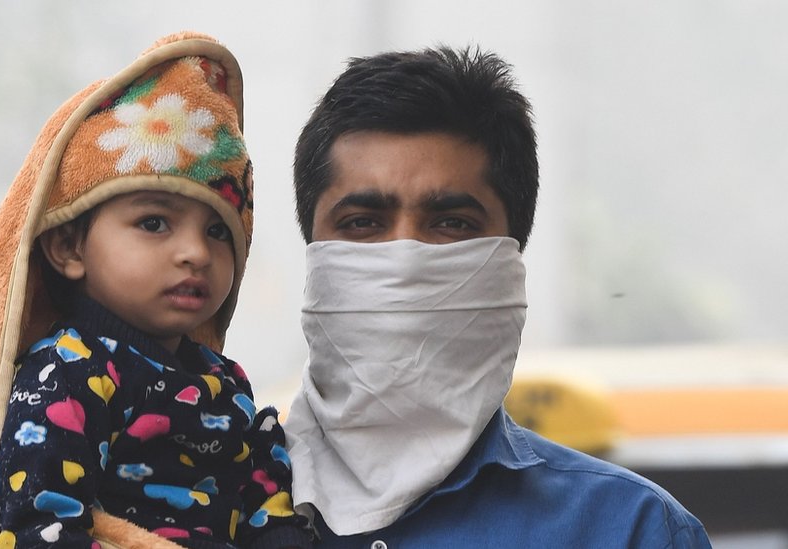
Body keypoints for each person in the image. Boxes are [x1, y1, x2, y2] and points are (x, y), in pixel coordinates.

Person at [283, 46, 712, 548]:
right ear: (313, 256)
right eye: (362, 223)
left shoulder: (629, 530)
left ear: (510, 266)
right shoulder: (207, 502)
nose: (403, 259)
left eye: (451, 224)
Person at [0, 32, 311, 549]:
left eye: (218, 231)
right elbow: (38, 526)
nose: (196, 252)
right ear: (68, 248)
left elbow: (267, 510)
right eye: (154, 222)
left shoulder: (228, 384)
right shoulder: (67, 372)